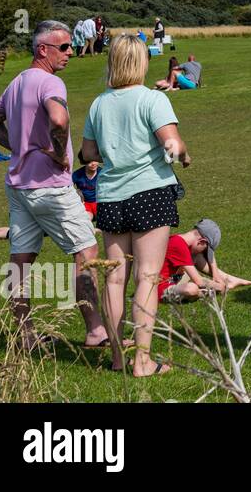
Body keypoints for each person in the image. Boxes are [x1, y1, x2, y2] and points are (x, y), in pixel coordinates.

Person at [0, 20, 106, 350]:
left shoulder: (18, 82)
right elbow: (59, 119)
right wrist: (58, 151)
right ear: (42, 50)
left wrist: (18, 147)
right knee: (87, 253)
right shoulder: (51, 83)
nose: (70, 53)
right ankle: (95, 330)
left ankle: (25, 335)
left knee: (20, 262)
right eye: (63, 47)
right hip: (50, 185)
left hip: (18, 186)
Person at [81, 33, 190, 376]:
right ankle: (142, 361)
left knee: (115, 280)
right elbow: (171, 143)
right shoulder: (152, 99)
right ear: (142, 62)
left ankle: (117, 357)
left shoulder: (99, 103)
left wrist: (114, 152)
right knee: (147, 276)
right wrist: (183, 156)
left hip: (111, 195)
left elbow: (87, 154)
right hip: (150, 192)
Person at [158, 219, 251, 304]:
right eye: (204, 250)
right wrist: (219, 287)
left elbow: (208, 258)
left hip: (172, 281)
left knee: (196, 257)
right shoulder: (178, 245)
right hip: (160, 290)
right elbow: (199, 281)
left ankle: (227, 279)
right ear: (201, 241)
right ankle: (204, 293)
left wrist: (216, 275)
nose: (203, 253)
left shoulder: (181, 241)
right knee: (192, 289)